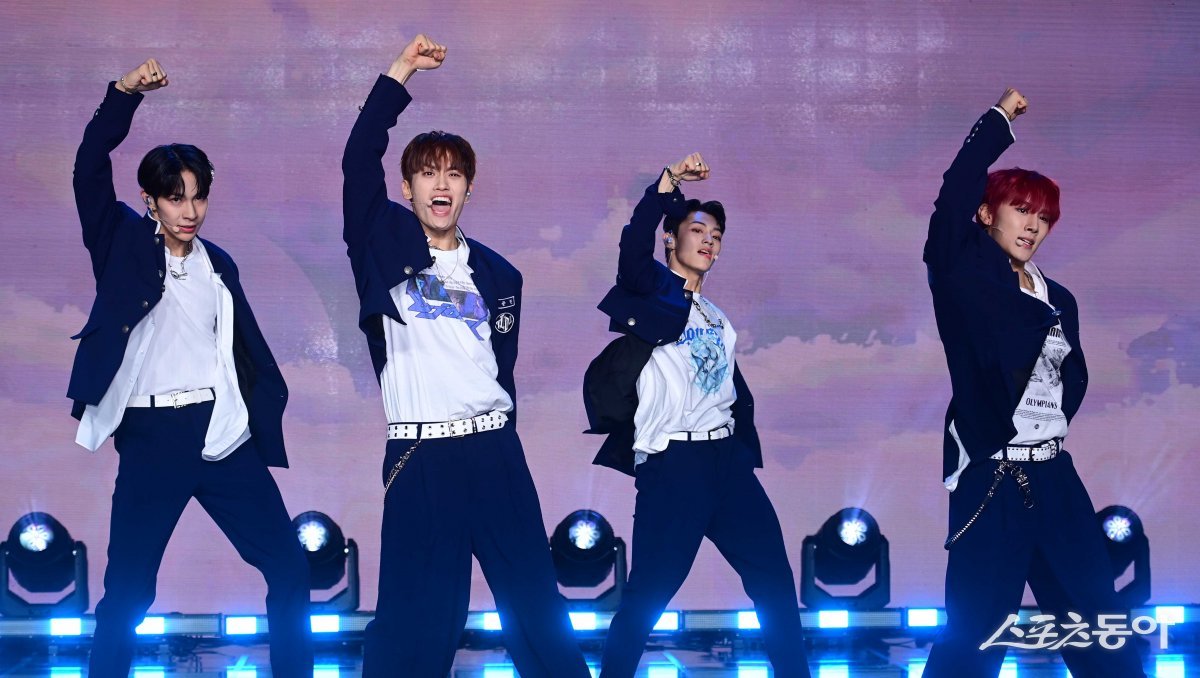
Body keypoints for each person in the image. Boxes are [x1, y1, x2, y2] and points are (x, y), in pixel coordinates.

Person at [341, 35, 590, 677]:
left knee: (537, 610)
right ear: (407, 187)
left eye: (453, 173)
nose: (441, 183)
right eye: (428, 172)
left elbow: (498, 367)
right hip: (421, 456)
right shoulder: (382, 244)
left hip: (495, 452)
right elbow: (357, 157)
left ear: (468, 188)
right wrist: (401, 71)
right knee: (416, 623)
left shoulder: (500, 275)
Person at [69, 60, 312, 677]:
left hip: (221, 433)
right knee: (129, 593)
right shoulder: (121, 244)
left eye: (199, 195)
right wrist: (124, 95)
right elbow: (88, 168)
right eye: (175, 197)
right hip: (153, 437)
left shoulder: (218, 263)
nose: (190, 209)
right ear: (149, 200)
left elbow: (238, 349)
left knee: (289, 567)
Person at [921, 88, 1146, 677]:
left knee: (1099, 623)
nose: (1033, 225)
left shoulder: (1059, 297)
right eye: (1021, 210)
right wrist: (998, 120)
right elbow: (952, 196)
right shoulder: (964, 278)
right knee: (975, 633)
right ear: (986, 214)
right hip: (993, 478)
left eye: (1043, 217)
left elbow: (1067, 380)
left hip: (1054, 474)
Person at [584, 155, 811, 677]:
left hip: (725, 463)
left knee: (775, 582)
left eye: (717, 236)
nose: (709, 241)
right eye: (697, 230)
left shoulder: (717, 315)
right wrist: (666, 187)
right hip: (674, 467)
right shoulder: (653, 295)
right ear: (670, 239)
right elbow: (632, 250)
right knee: (646, 598)